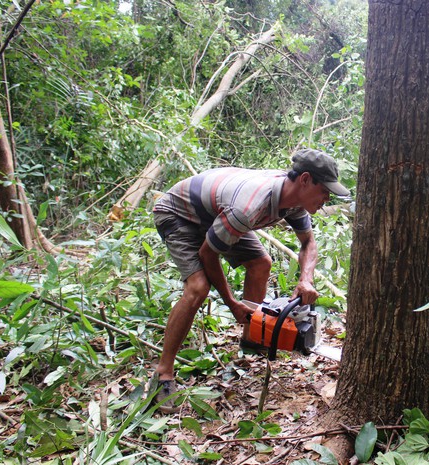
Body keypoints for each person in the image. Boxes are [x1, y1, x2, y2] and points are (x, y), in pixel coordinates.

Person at [150, 148, 350, 412]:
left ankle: (252, 336)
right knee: (198, 288)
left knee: (261, 263)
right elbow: (208, 254)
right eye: (324, 191)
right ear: (304, 180)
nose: (326, 198)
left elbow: (308, 242)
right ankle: (163, 373)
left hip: (219, 215)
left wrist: (306, 279)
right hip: (180, 214)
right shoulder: (249, 206)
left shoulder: (293, 201)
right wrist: (232, 303)